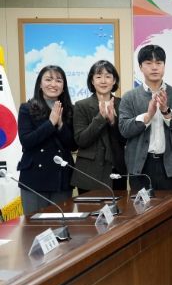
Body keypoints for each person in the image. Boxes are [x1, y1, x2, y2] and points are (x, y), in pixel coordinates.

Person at [119, 45, 172, 191]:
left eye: (159, 63)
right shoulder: (129, 97)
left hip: (169, 166)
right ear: (140, 67)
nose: (154, 67)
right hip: (140, 167)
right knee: (140, 206)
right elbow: (124, 130)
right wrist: (148, 116)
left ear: (164, 66)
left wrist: (166, 111)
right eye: (149, 63)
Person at [17, 65, 77, 215]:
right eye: (48, 79)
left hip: (61, 178)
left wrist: (61, 125)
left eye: (58, 80)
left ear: (63, 86)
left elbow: (73, 145)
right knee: (35, 224)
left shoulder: (70, 109)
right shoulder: (27, 108)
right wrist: (50, 123)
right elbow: (27, 141)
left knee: (61, 224)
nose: (53, 84)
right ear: (40, 84)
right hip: (34, 178)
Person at [71, 60, 127, 194]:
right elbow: (81, 140)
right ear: (92, 80)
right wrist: (100, 118)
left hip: (117, 170)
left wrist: (113, 122)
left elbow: (126, 139)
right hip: (90, 173)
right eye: (98, 76)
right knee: (90, 207)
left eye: (108, 76)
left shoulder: (123, 104)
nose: (103, 81)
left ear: (114, 80)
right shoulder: (81, 105)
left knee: (119, 207)